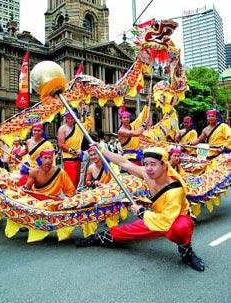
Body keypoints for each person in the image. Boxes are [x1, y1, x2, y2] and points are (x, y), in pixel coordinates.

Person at [77, 146, 205, 272]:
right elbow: (124, 162)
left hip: (174, 220)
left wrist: (141, 212)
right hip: (156, 217)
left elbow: (165, 222)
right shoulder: (147, 173)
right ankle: (97, 238)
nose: (148, 168)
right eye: (146, 164)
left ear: (164, 165)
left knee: (179, 228)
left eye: (153, 164)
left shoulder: (174, 190)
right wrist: (102, 150)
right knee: (126, 231)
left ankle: (186, 251)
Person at [57, 110, 92, 188]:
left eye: (72, 118)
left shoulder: (79, 127)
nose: (70, 120)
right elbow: (61, 144)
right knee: (70, 180)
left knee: (76, 180)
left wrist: (86, 111)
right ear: (66, 118)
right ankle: (70, 196)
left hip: (78, 158)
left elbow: (89, 123)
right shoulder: (62, 129)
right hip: (68, 158)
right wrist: (73, 152)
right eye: (68, 118)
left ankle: (73, 195)